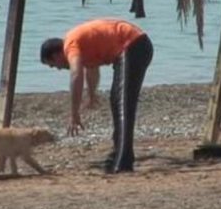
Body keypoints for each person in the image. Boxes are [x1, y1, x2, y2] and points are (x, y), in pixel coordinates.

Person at [40, 18, 153, 173]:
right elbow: (91, 69)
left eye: (53, 65)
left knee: (123, 104)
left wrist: (74, 113)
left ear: (56, 55)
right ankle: (118, 154)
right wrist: (92, 95)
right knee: (117, 101)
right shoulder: (79, 45)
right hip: (133, 45)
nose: (58, 69)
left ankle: (123, 161)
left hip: (133, 44)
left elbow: (76, 75)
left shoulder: (70, 45)